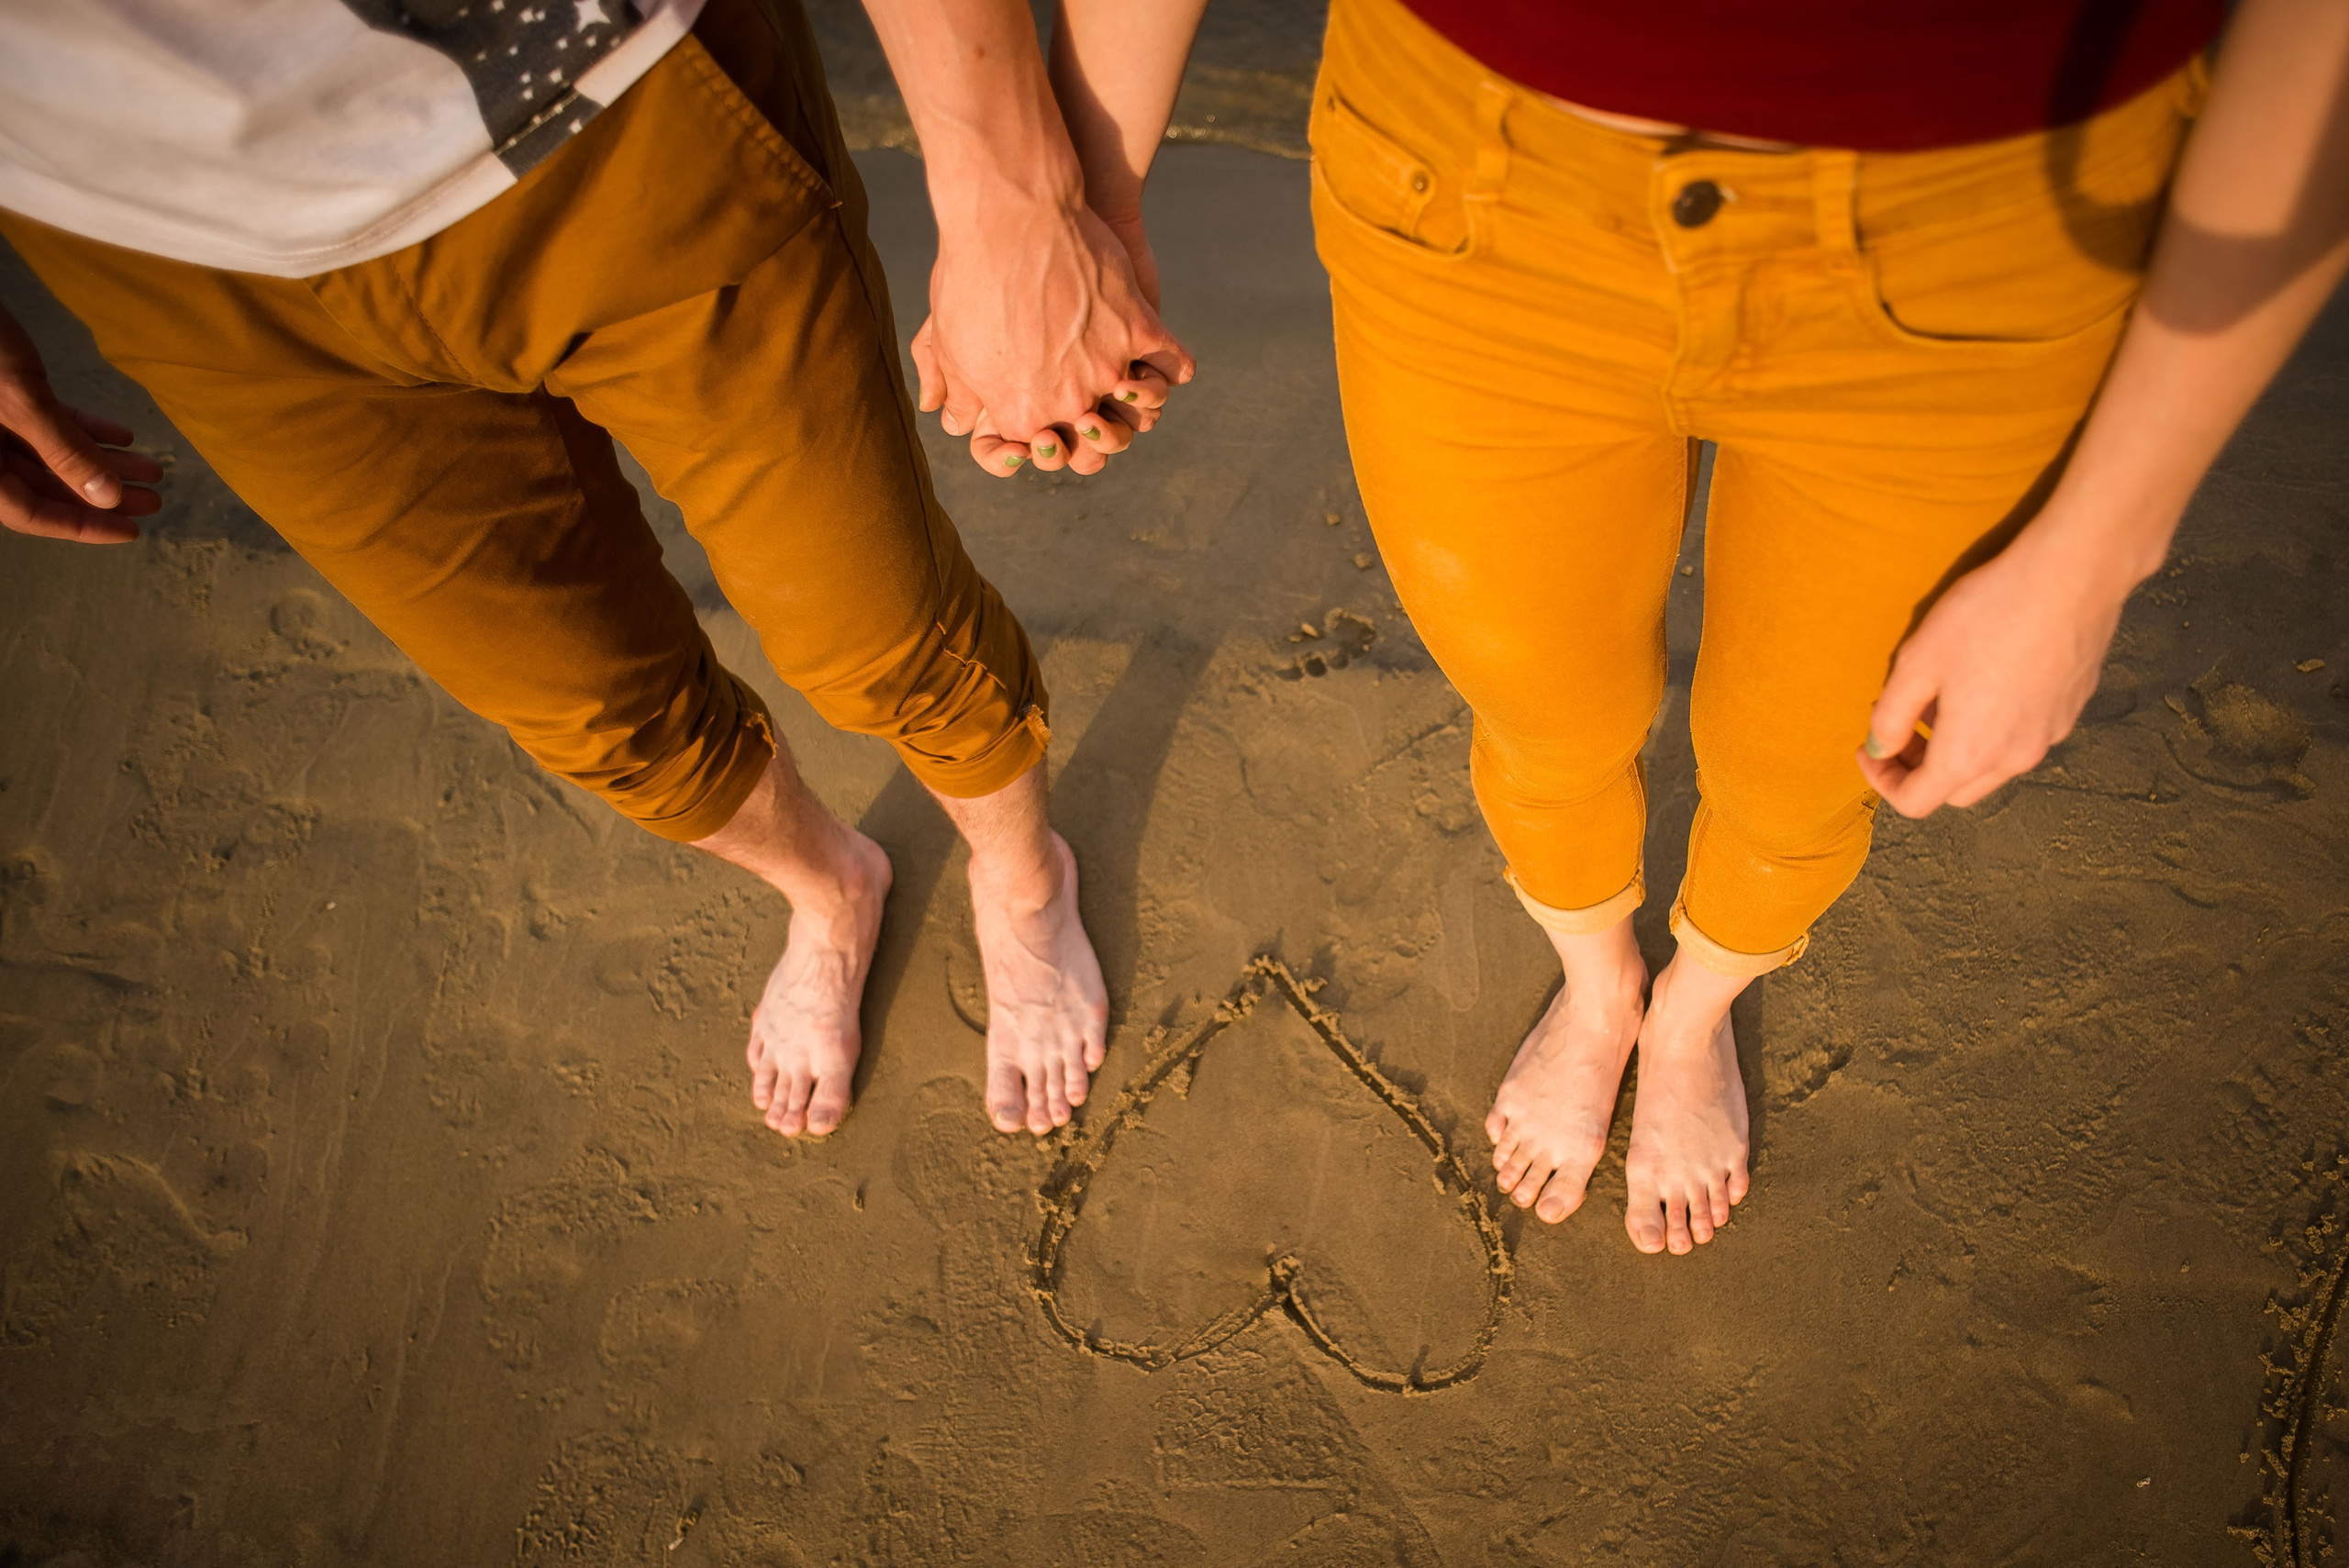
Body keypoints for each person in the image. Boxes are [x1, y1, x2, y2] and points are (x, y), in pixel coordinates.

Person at [958, 0, 2349, 1255]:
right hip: (1470, 183)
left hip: (1990, 225)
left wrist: (2103, 549)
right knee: (1542, 709)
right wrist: (1076, 200)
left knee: (1819, 757)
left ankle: (1692, 1015)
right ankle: (1603, 981)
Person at [0, 0, 1194, 1140]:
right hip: (172, 262)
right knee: (604, 717)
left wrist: (1012, 197)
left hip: (593, 100)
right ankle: (832, 889)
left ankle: (1025, 875)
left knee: (881, 633)